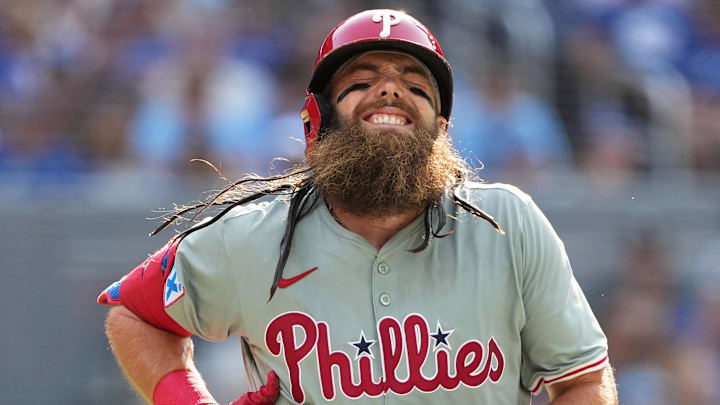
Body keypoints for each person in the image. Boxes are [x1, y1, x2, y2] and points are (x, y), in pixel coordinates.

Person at [99, 9, 618, 404]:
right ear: (316, 120)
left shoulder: (509, 224)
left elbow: (584, 379)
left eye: (416, 84)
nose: (391, 88)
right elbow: (133, 314)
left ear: (441, 131)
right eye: (362, 79)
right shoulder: (252, 236)